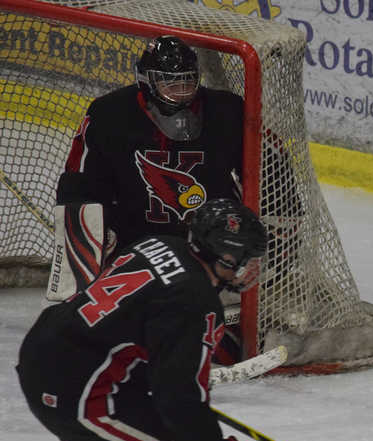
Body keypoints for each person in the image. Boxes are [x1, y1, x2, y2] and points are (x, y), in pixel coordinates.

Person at [18, 198, 269, 441]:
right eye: (246, 259)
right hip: (81, 391)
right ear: (222, 255)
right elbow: (178, 399)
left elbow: (139, 331)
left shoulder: (163, 244)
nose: (252, 269)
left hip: (48, 356)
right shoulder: (195, 302)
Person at [53, 35, 246, 361]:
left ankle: (211, 333)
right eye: (170, 82)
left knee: (235, 306)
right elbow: (79, 184)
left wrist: (271, 228)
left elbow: (271, 172)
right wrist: (90, 245)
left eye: (188, 81)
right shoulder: (109, 113)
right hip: (136, 242)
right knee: (117, 321)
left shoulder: (228, 111)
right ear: (146, 80)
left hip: (209, 245)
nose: (182, 91)